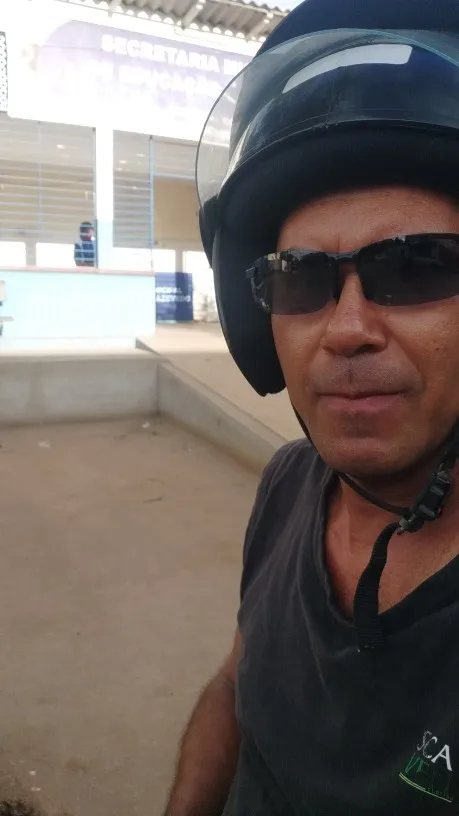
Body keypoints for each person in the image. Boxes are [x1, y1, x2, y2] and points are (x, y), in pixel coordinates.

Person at [165, 0, 459, 813]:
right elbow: (235, 684)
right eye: (299, 279)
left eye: (416, 266)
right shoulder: (290, 481)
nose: (346, 329)